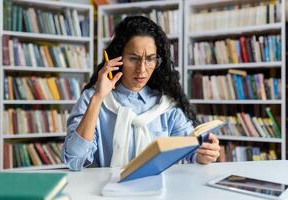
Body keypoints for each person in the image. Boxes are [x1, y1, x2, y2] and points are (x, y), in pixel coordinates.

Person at [61, 16, 220, 170]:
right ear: (118, 58)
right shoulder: (92, 98)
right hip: (104, 193)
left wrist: (204, 153)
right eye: (133, 58)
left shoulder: (166, 105)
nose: (142, 70)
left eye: (150, 59)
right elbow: (74, 160)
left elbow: (191, 151)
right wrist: (98, 98)